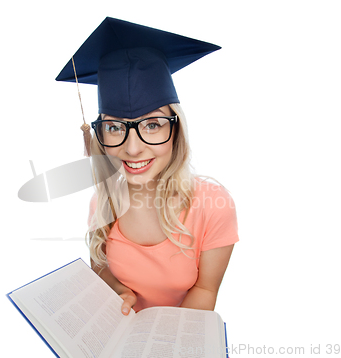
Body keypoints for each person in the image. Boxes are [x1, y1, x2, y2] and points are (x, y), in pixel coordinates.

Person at [56, 17, 239, 315]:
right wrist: (116, 290)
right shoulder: (103, 202)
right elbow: (100, 267)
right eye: (115, 127)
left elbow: (206, 290)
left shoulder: (213, 204)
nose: (132, 148)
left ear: (176, 129)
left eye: (152, 125)